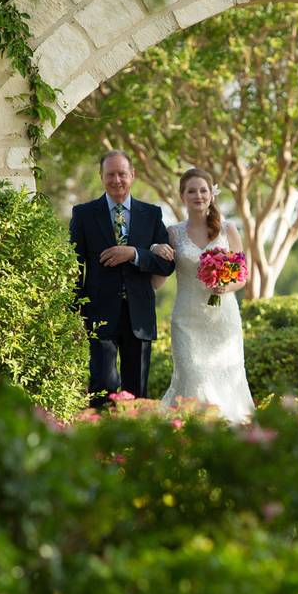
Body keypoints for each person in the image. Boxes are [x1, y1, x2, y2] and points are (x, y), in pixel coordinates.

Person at [69, 150, 175, 409]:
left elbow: (166, 263)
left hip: (139, 314)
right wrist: (71, 311)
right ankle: (98, 440)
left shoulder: (152, 214)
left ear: (133, 175)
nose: (117, 180)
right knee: (102, 383)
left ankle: (134, 442)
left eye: (122, 174)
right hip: (98, 312)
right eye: (110, 175)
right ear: (101, 176)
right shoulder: (83, 214)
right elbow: (74, 264)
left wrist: (135, 253)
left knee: (136, 391)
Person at [151, 167, 255, 423]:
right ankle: (190, 434)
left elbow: (242, 275)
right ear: (182, 196)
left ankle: (228, 435)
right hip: (187, 320)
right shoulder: (173, 233)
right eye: (192, 191)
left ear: (211, 194)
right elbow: (159, 279)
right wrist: (154, 249)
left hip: (223, 319)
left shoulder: (228, 229)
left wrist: (226, 286)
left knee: (229, 377)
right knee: (193, 375)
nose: (198, 195)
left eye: (203, 190)